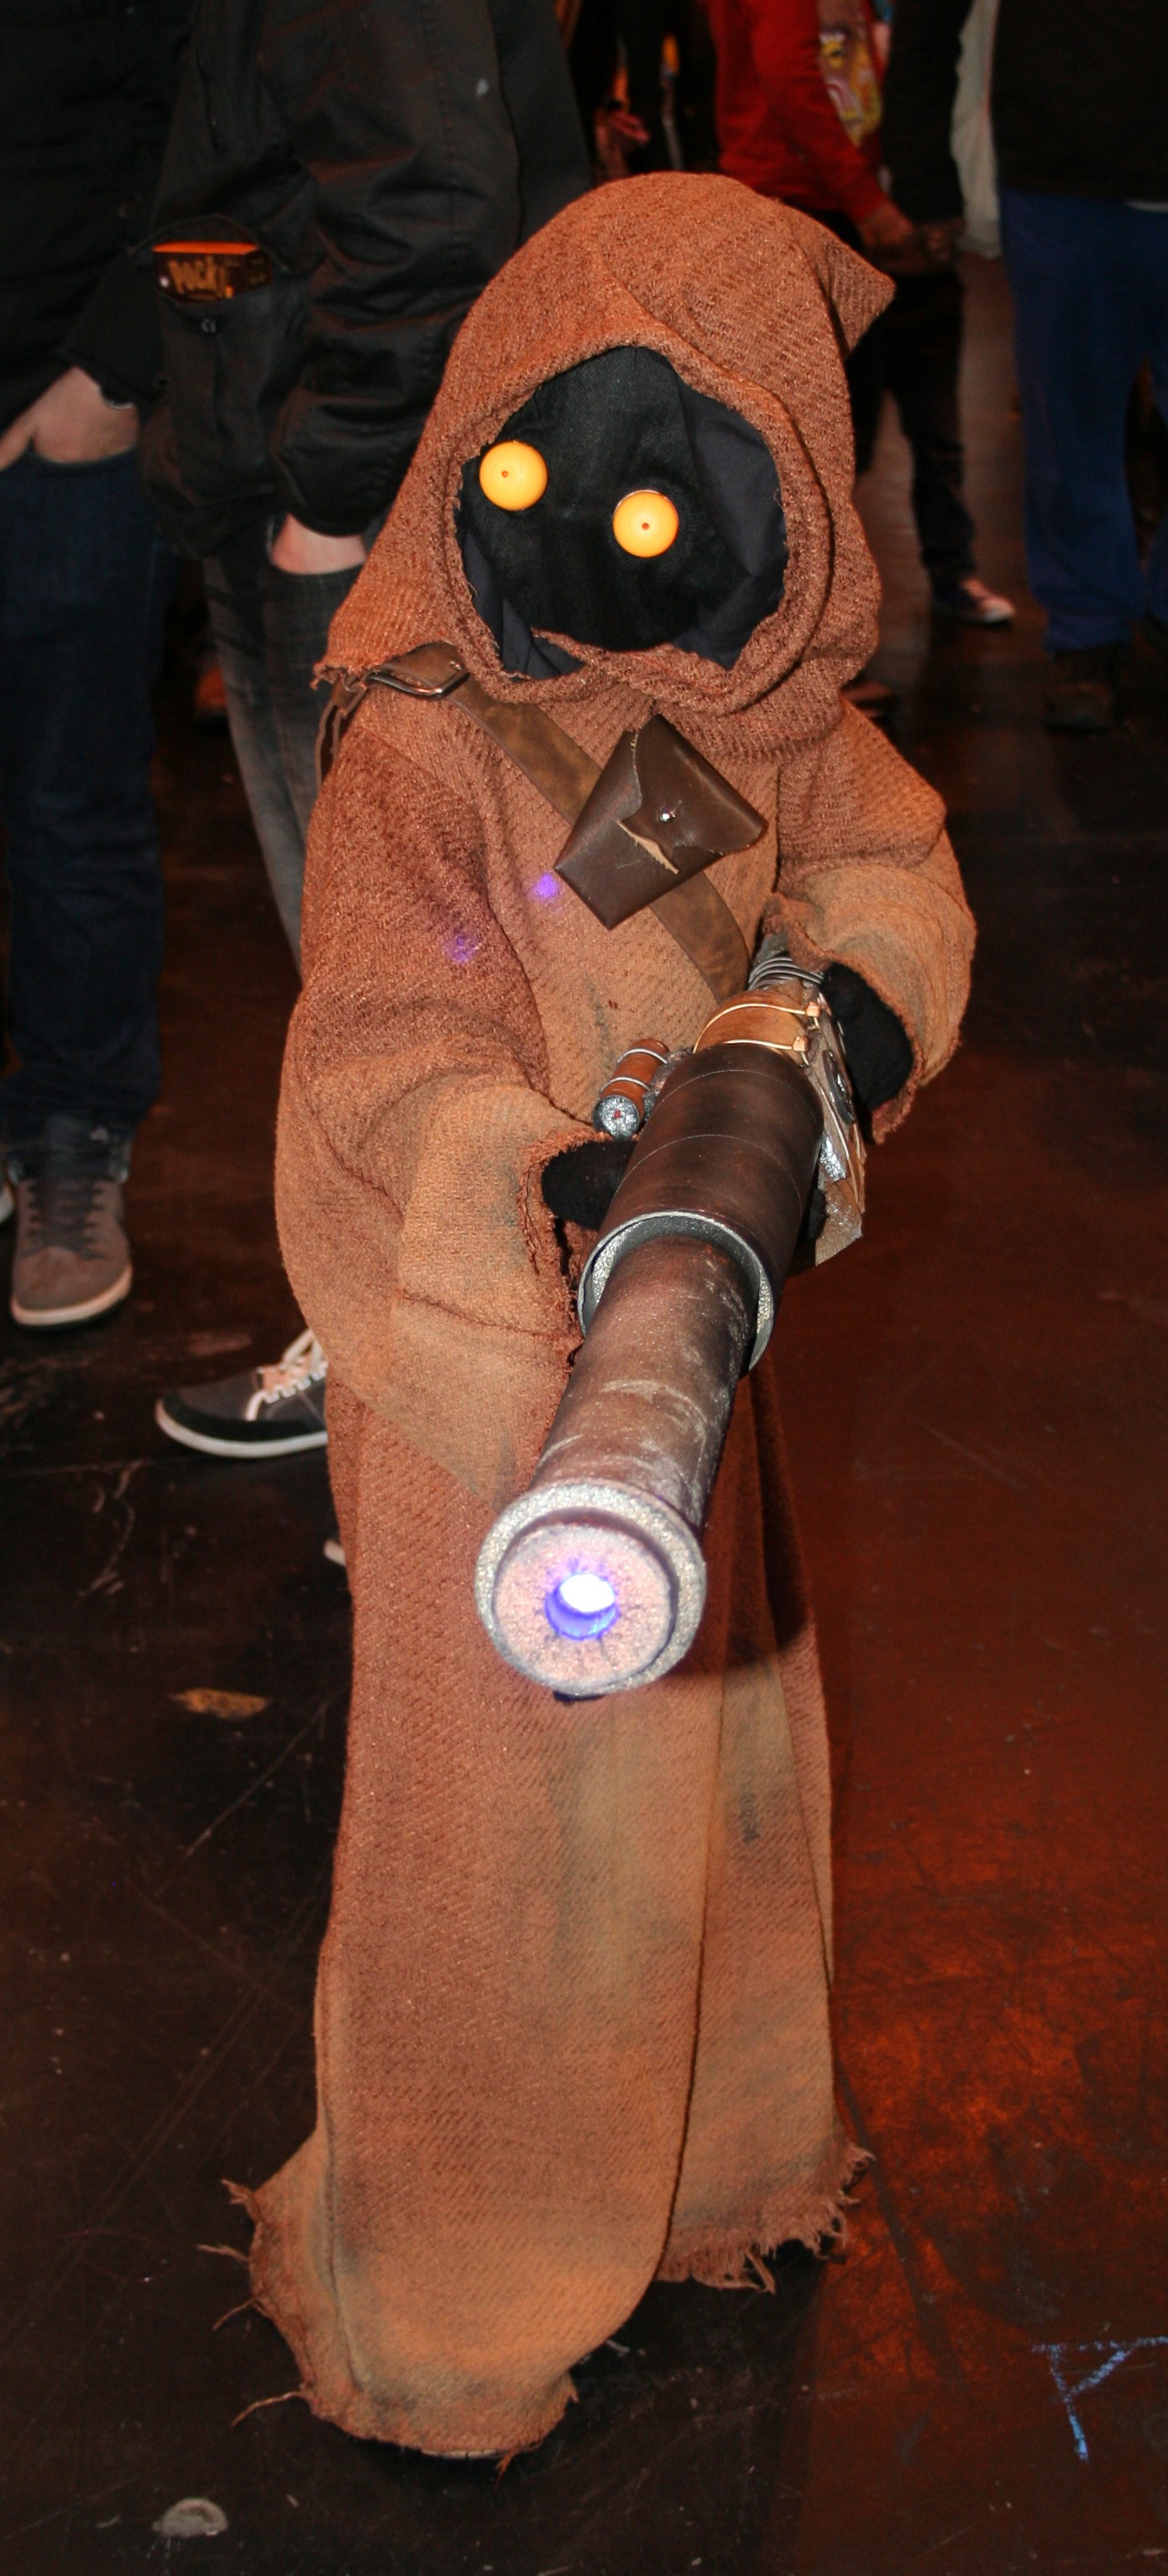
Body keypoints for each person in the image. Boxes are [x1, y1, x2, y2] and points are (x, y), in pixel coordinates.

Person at [228, 173, 974, 2457]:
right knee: (505, 1836)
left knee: (692, 1775)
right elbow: (374, 1055)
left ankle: (703, 2155)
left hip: (686, 1344)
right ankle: (458, 2283)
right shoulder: (428, 736)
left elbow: (883, 862)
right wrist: (548, 1176)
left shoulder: (761, 716)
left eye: (682, 495)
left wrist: (836, 1021)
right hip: (486, 1372)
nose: (618, 551)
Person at [146, 0, 592, 1456]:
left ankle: (432, 1426)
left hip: (354, 513)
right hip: (325, 482)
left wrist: (329, 488)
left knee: (400, 986)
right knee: (398, 976)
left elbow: (432, 210)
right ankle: (410, 1387)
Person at [0, 0, 190, 1328]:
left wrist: (109, 374)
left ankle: (73, 1135)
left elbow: (210, 130)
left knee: (71, 807)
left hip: (55, 425)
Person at [880, 0, 1168, 732]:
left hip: (1059, 169)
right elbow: (926, 23)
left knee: (1069, 425)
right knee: (1067, 425)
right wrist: (921, 173)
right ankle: (1086, 629)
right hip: (1061, 178)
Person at [704, 0, 1013, 632]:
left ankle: (938, 576)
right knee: (818, 442)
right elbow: (788, 74)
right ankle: (803, 633)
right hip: (803, 206)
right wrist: (866, 199)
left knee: (886, 422)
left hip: (847, 204)